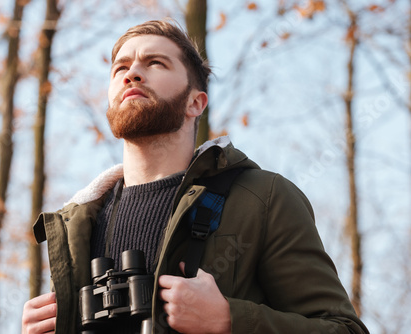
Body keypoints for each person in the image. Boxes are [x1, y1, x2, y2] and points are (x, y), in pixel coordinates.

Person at [22, 19, 369, 334]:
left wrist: (228, 320)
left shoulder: (263, 198)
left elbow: (343, 329)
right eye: (121, 68)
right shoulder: (77, 224)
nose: (132, 74)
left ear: (196, 103)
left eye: (155, 63)